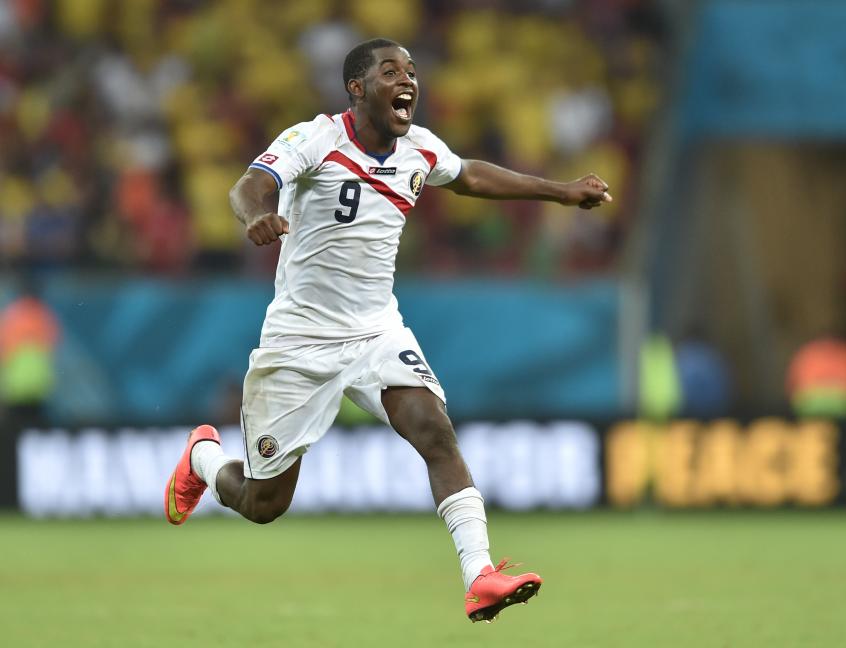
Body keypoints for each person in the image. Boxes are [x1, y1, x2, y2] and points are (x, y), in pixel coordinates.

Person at [164, 38, 612, 623]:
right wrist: (258, 216)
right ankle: (202, 457)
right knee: (262, 501)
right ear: (357, 88)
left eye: (411, 71)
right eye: (390, 71)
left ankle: (480, 575)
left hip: (377, 330)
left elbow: (470, 176)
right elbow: (249, 185)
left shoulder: (419, 150)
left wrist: (561, 191)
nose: (407, 81)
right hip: (300, 342)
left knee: (434, 429)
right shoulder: (316, 139)